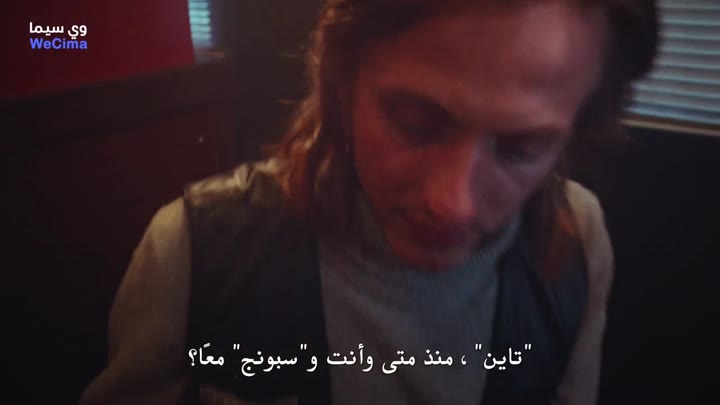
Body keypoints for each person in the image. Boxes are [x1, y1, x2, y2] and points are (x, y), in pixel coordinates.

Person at [80, 0, 658, 404]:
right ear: (340, 80)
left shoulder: (577, 240)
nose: (452, 205)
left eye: (521, 148)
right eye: (415, 122)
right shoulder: (196, 251)